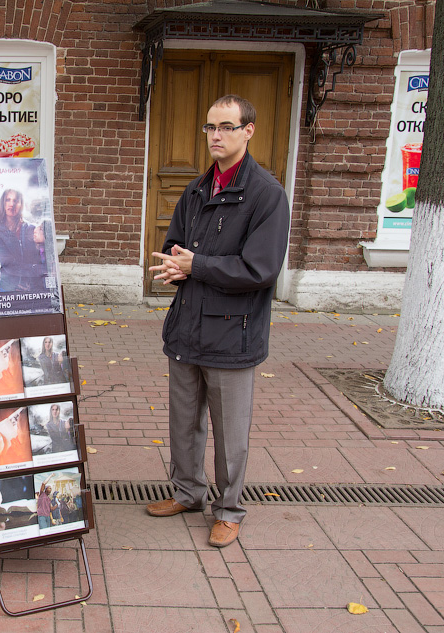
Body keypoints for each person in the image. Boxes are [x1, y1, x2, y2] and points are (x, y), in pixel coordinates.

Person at [145, 95, 290, 548]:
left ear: (249, 131)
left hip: (232, 332)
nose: (216, 135)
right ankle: (187, 493)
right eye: (210, 127)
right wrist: (175, 266)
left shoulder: (266, 194)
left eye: (226, 127)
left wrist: (197, 266)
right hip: (187, 327)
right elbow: (175, 245)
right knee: (184, 422)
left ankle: (228, 510)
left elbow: (260, 270)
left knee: (230, 434)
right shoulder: (196, 189)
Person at [0, 189, 47, 292]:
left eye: (16, 201)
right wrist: (39, 269)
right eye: (8, 200)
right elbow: (8, 264)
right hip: (8, 288)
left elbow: (39, 259)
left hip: (32, 288)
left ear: (21, 204)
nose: (12, 204)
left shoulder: (31, 228)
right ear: (2, 203)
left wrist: (31, 285)